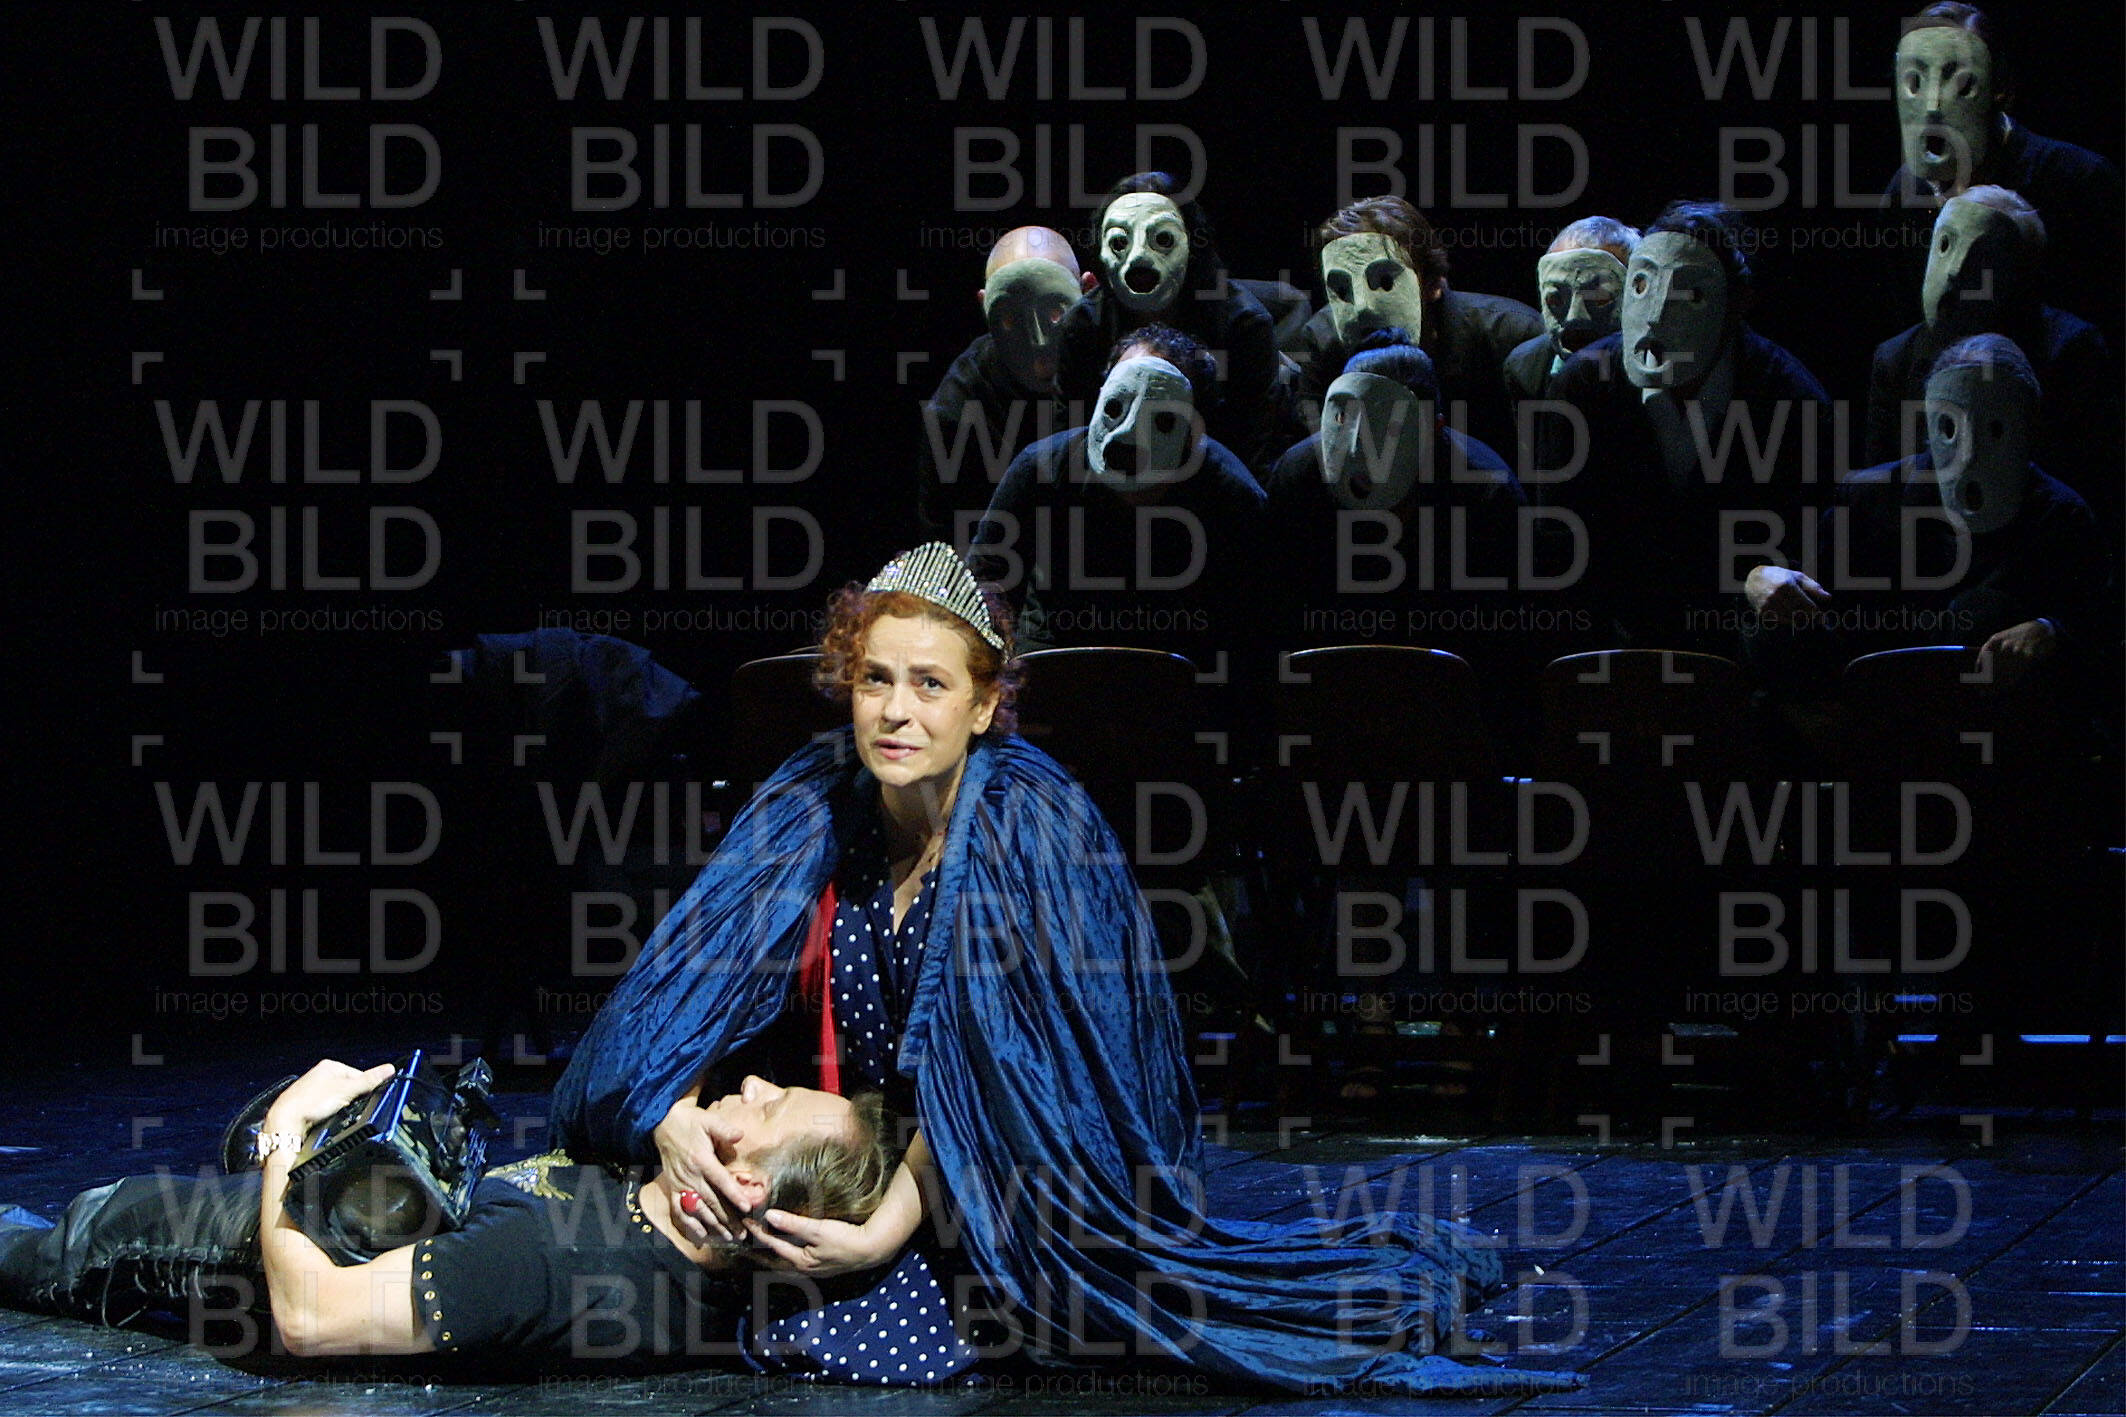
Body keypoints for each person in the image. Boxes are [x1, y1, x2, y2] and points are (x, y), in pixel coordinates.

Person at [547, 542, 1581, 1397]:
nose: (896, 711)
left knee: (935, 1318)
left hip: (1015, 1177)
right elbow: (688, 987)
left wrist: (886, 1230)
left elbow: (1004, 1072)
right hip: (844, 1158)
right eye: (875, 679)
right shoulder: (811, 797)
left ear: (983, 706)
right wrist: (669, 1110)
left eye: (930, 684)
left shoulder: (1029, 827)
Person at [0, 1062, 899, 1364]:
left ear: (744, 1188)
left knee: (61, 1234)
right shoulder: (669, 1234)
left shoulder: (548, 1264)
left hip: (196, 1249)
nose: (755, 1082)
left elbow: (311, 1316)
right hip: (327, 1215)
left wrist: (288, 1134)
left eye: (775, 1104)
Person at [1536, 201, 1830, 651]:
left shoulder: (1788, 397)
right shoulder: (1582, 387)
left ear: (1737, 303)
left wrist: (1757, 578)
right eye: (1642, 285)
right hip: (1615, 639)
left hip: (1739, 643)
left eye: (1689, 294)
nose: (1655, 316)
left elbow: (1803, 538)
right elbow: (1561, 542)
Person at [970, 323, 1267, 658]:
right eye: (1117, 405)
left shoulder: (1232, 497)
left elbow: (1251, 623)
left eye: (1160, 418)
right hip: (1057, 650)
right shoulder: (1042, 469)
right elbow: (987, 576)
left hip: (1180, 662)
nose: (1126, 435)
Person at [1862, 186, 2116, 528]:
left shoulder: (2069, 351)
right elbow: (1883, 486)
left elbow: (2086, 476)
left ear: (2019, 274)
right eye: (1946, 245)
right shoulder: (1897, 359)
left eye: (1982, 258)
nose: (1955, 271)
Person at [1879, 4, 2122, 336]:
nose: (1933, 106)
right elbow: (1911, 329)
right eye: (1915, 82)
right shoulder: (1903, 196)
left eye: (1961, 82)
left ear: (1999, 87)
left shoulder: (2078, 181)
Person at [1054, 173, 1281, 468]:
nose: (1138, 258)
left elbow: (1254, 447)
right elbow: (1070, 443)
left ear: (1192, 248)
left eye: (1162, 239)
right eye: (1119, 242)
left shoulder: (1242, 325)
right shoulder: (1082, 327)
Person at [1293, 196, 1544, 461]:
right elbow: (1317, 460)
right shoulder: (1323, 342)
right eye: (1342, 290)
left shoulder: (1511, 337)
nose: (1363, 309)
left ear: (1432, 284)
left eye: (1386, 282)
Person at [917, 227, 1095, 541]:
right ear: (985, 307)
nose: (1038, 341)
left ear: (1088, 290)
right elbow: (946, 546)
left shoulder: (1121, 364)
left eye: (1056, 312)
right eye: (1011, 319)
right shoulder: (958, 411)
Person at [1502, 217, 1642, 409]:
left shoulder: (1659, 365)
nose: (1573, 318)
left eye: (1599, 298)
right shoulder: (1525, 368)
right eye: (1556, 299)